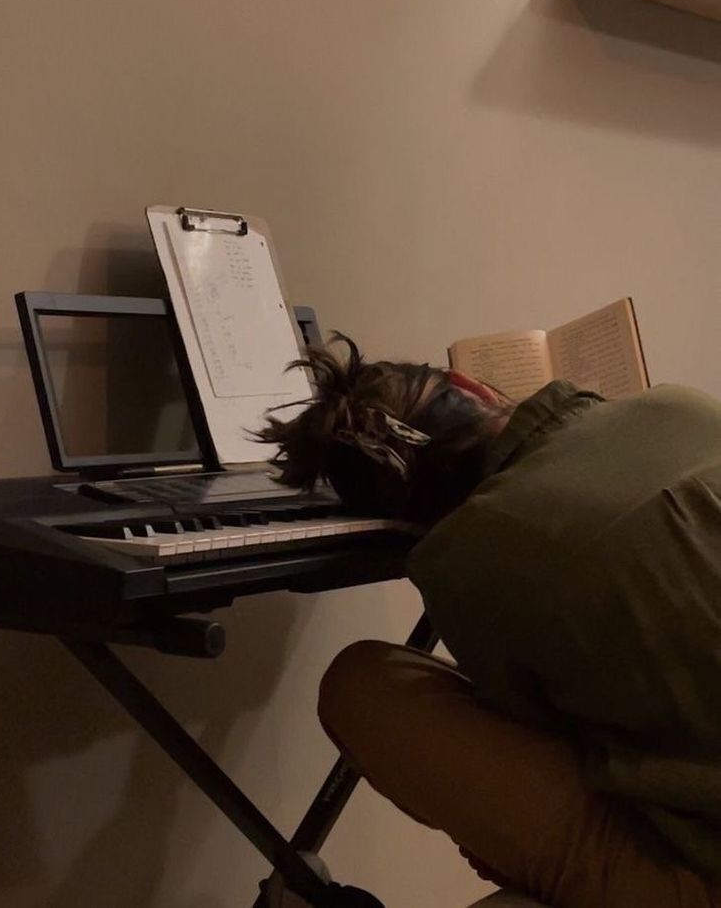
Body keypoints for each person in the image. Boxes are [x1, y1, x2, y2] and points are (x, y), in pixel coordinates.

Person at [257, 334, 721, 908]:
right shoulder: (678, 405)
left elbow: (542, 736)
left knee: (363, 685)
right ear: (473, 387)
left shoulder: (465, 559)